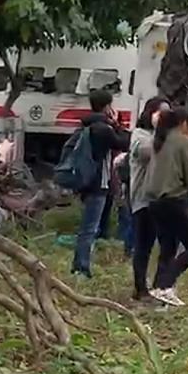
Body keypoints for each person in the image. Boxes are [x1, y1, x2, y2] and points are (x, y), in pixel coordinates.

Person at [144, 108, 188, 307]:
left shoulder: (160, 141)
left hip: (156, 203)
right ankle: (165, 286)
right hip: (174, 202)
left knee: (167, 249)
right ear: (184, 123)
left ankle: (160, 295)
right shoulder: (181, 142)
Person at [72, 90, 130, 278]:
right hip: (99, 183)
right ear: (107, 107)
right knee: (89, 228)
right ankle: (81, 268)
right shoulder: (103, 129)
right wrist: (116, 124)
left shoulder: (86, 125)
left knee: (88, 227)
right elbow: (124, 142)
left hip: (86, 181)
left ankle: (80, 264)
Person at [128, 97, 170, 300]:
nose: (163, 117)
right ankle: (140, 288)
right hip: (143, 198)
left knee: (165, 245)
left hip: (162, 199)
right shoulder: (140, 135)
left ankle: (159, 287)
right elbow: (145, 152)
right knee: (143, 246)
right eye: (160, 113)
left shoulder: (163, 136)